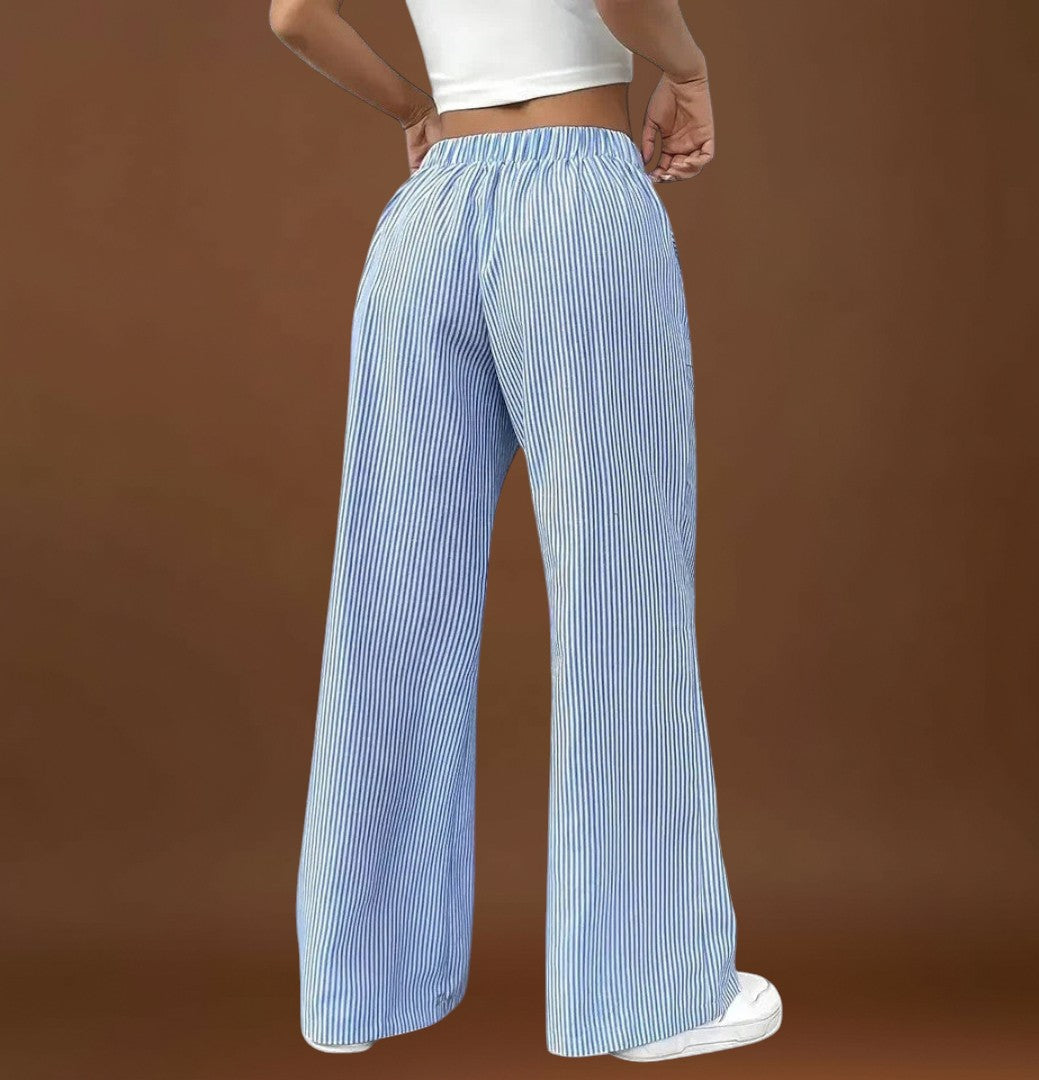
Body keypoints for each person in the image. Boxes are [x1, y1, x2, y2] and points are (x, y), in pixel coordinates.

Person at [268, 0, 781, 1062]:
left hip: (428, 221)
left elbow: (296, 13)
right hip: (578, 206)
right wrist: (686, 68)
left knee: (391, 608)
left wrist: (412, 109)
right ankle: (649, 995)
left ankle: (358, 984)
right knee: (618, 595)